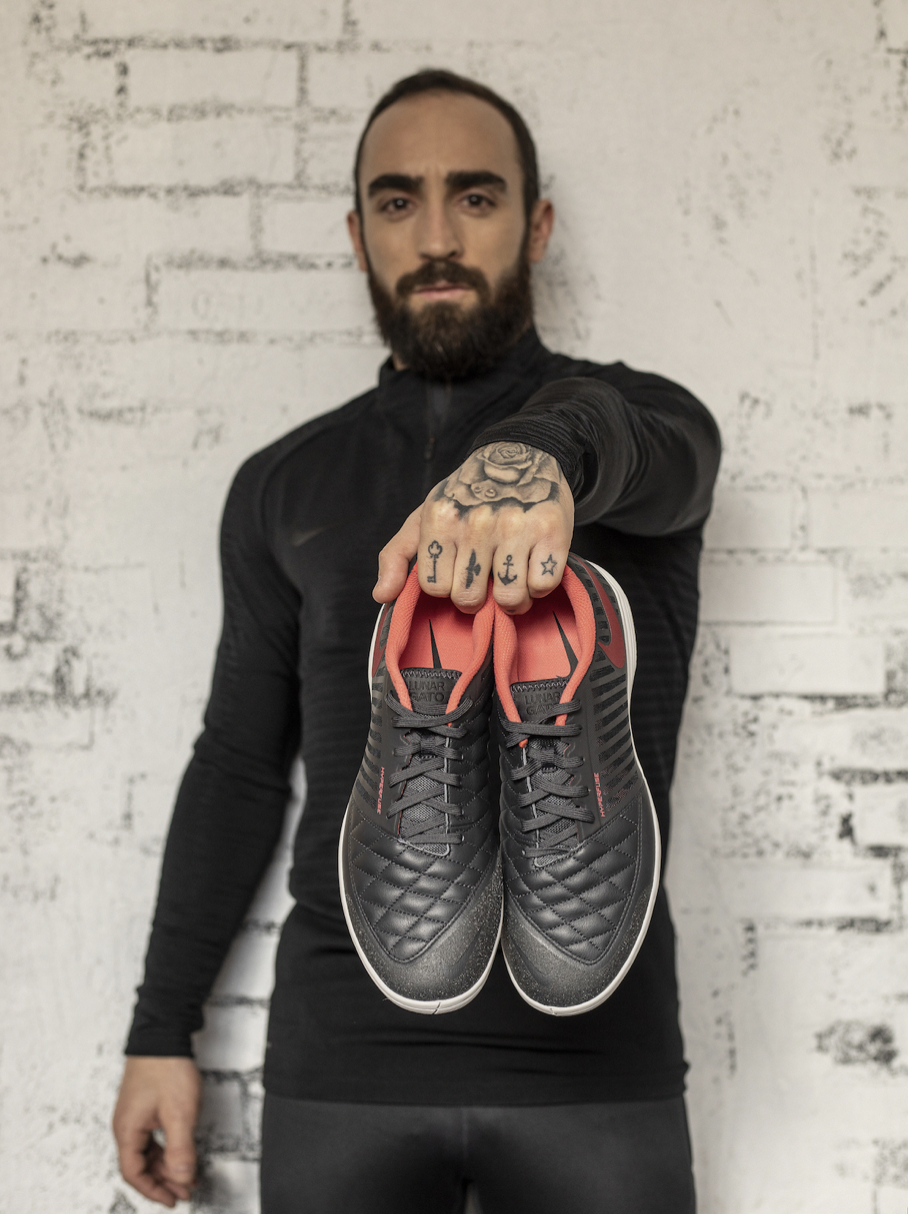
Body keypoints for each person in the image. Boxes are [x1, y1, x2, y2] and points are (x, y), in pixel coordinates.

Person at [112, 69, 721, 1213]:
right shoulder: (283, 484)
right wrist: (159, 1026)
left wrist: (541, 456)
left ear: (536, 224)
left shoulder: (645, 427)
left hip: (596, 1055)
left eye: (475, 197)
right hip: (342, 1055)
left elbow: (663, 456)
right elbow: (239, 763)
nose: (436, 236)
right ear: (357, 234)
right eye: (398, 202)